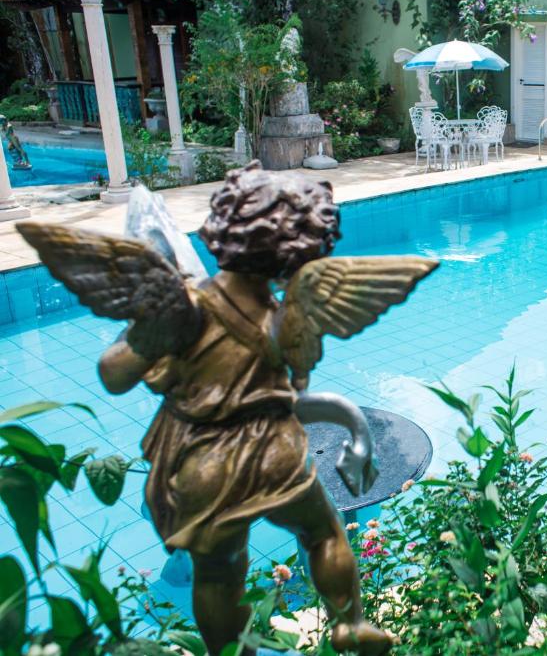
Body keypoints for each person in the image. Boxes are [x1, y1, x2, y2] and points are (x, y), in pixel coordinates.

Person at [17, 162, 439, 656]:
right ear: (300, 256)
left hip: (201, 461)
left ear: (224, 229)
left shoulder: (184, 308)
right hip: (275, 454)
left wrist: (151, 333)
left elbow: (113, 375)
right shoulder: (286, 318)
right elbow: (289, 396)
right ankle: (348, 623)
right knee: (324, 532)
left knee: (218, 573)